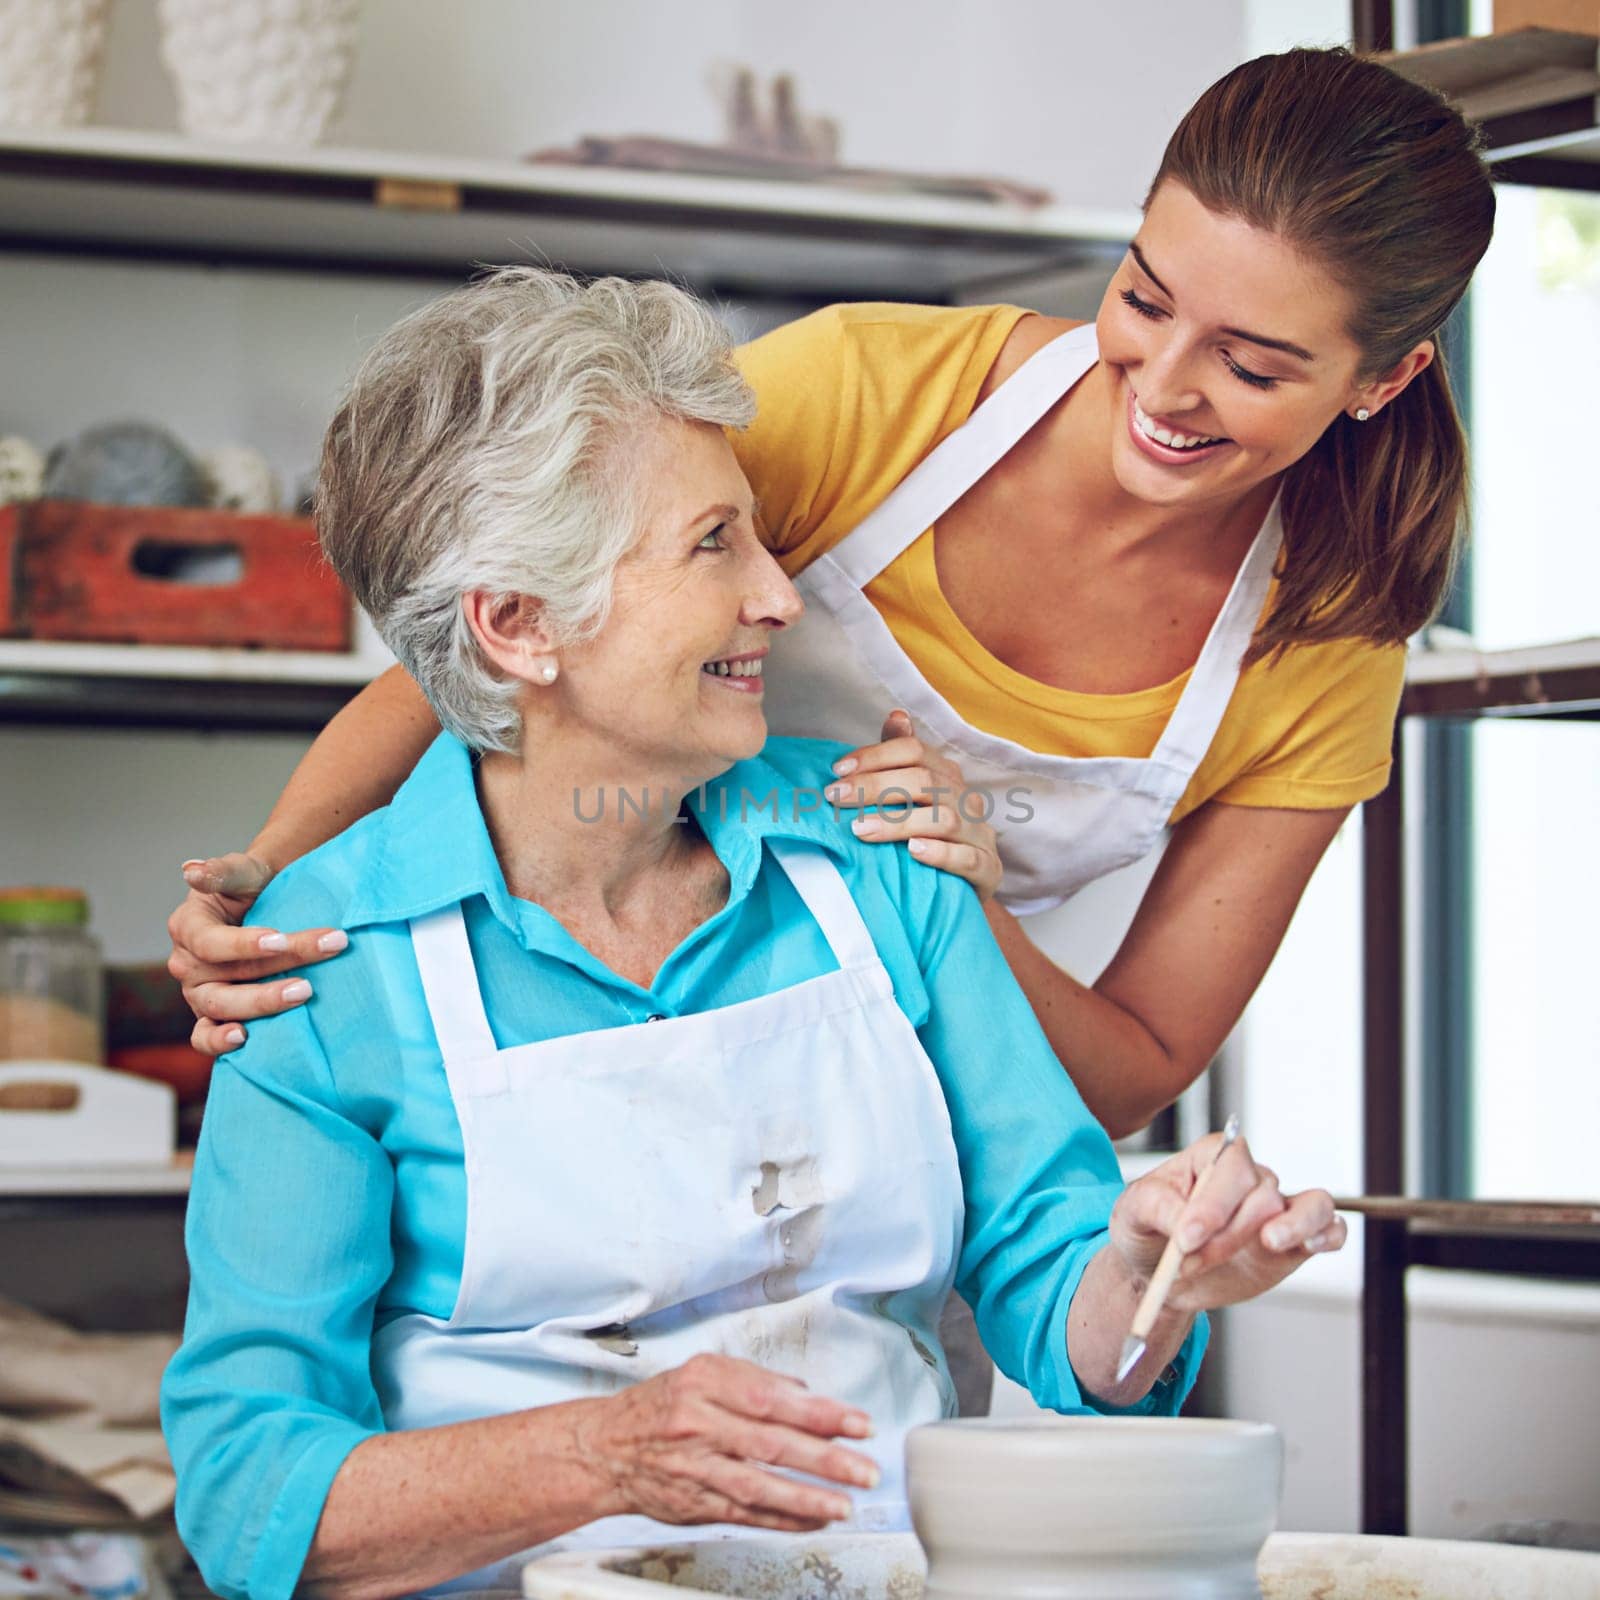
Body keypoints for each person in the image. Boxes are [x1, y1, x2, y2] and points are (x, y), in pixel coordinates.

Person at [160, 271, 1342, 1600]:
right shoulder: (326, 977)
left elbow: (1066, 1292)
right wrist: (603, 1458)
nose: (784, 598)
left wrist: (1150, 1276)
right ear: (517, 626)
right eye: (715, 545)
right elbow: (248, 1492)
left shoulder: (877, 854)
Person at [166, 45, 1495, 1141]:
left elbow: (1140, 1065)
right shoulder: (867, 391)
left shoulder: (1331, 629)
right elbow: (474, 655)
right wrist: (265, 889)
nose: (1160, 385)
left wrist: (956, 901)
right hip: (596, 1037)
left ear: (1382, 380)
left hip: (937, 1128)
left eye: (1254, 369)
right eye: (1144, 298)